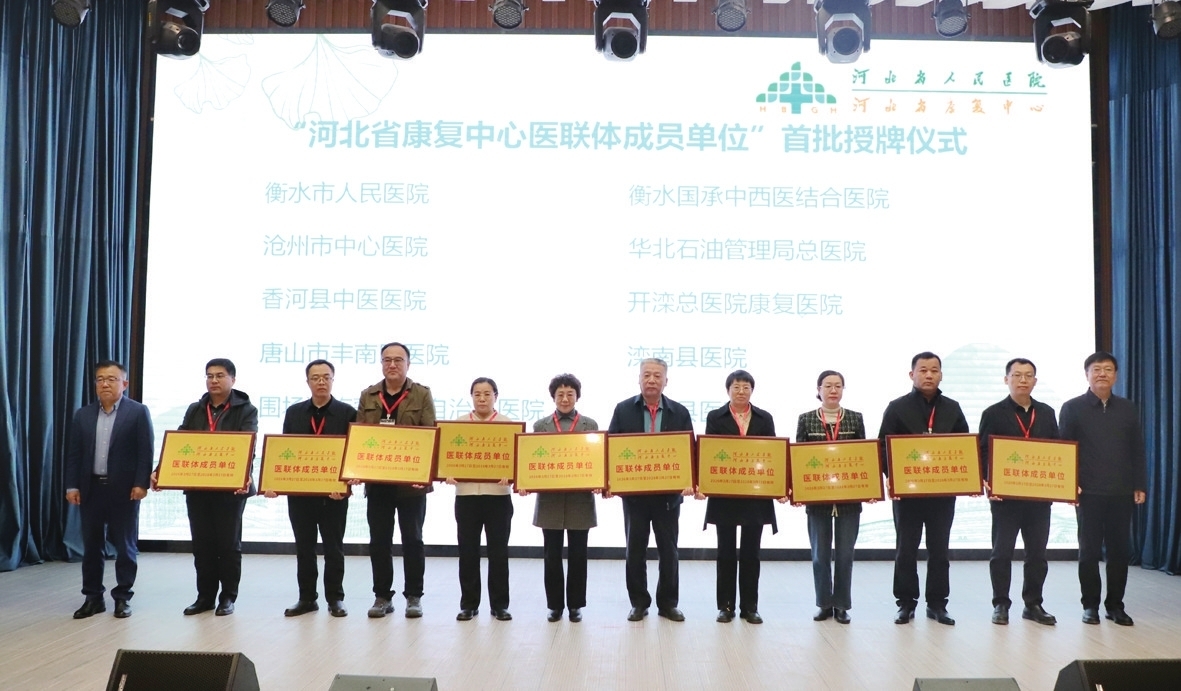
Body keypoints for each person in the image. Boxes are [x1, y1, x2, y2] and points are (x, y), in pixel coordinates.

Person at [152, 358, 258, 616]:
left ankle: (228, 597)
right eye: (209, 376)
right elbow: (179, 442)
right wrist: (160, 470)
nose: (213, 380)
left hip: (230, 489)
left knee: (228, 545)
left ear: (233, 379)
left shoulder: (246, 410)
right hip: (198, 487)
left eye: (220, 375)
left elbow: (249, 444)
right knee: (202, 544)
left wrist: (244, 474)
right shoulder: (195, 409)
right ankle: (205, 597)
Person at [878, 351, 969, 626]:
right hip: (908, 494)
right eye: (923, 370)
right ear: (912, 374)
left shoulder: (952, 408)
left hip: (942, 494)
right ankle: (905, 603)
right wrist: (892, 476)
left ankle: (937, 604)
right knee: (906, 549)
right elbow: (882, 447)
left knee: (940, 550)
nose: (929, 375)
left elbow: (965, 448)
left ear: (941, 375)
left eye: (934, 370)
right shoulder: (897, 407)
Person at [1059, 351, 1147, 626]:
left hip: (1121, 491)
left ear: (1116, 376)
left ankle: (1115, 605)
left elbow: (1137, 449)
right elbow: (1064, 450)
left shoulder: (1128, 408)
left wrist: (1139, 484)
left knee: (1119, 552)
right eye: (1096, 369)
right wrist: (1069, 485)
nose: (1102, 374)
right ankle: (1090, 606)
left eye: (1108, 369)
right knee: (1088, 553)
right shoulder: (1072, 408)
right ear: (1087, 374)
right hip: (1088, 493)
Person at [265, 359, 356, 618]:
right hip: (300, 496)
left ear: (333, 380)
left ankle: (335, 599)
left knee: (333, 549)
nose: (321, 382)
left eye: (326, 377)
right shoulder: (294, 412)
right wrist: (274, 483)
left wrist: (346, 484)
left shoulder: (347, 413)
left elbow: (353, 455)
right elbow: (284, 452)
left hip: (333, 495)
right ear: (307, 382)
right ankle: (306, 598)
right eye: (315, 378)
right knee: (304, 548)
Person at [607, 358, 695, 623]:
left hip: (668, 497)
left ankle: (668, 604)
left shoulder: (679, 412)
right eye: (647, 375)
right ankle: (639, 602)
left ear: (666, 381)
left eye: (657, 376)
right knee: (635, 550)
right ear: (639, 379)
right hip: (635, 496)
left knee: (669, 551)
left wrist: (690, 480)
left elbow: (689, 452)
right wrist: (609, 481)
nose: (652, 380)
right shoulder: (623, 409)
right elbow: (611, 448)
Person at [65, 360, 155, 620]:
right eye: (100, 379)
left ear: (124, 383)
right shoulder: (83, 415)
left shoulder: (137, 412)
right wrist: (72, 485)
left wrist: (141, 483)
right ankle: (93, 598)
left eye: (112, 379)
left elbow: (145, 451)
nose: (105, 384)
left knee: (125, 547)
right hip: (91, 489)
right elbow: (74, 454)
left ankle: (123, 597)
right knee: (92, 547)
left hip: (124, 491)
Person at [355, 342, 436, 619]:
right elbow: (360, 436)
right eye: (387, 360)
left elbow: (429, 434)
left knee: (413, 540)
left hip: (411, 485)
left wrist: (425, 474)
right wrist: (356, 468)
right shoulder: (368, 395)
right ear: (381, 364)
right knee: (379, 541)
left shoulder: (421, 394)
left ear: (408, 364)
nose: (392, 364)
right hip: (378, 483)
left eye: (398, 360)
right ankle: (382, 597)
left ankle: (414, 597)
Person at [977, 358, 1060, 626]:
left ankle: (1033, 604)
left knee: (1037, 554)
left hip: (1039, 498)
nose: (1023, 380)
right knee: (1002, 553)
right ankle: (1000, 604)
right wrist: (988, 481)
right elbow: (983, 451)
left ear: (1035, 380)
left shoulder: (1046, 412)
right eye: (1017, 375)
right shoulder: (993, 413)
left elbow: (1058, 451)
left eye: (1028, 375)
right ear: (1006, 379)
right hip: (1006, 499)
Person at [701, 370, 776, 625]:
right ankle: (725, 606)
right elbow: (710, 453)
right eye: (736, 387)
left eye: (746, 387)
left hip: (755, 496)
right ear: (728, 390)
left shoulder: (765, 418)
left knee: (751, 554)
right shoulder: (715, 417)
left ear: (752, 390)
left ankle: (750, 607)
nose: (741, 391)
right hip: (725, 495)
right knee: (725, 553)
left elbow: (773, 455)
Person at [794, 369, 867, 625]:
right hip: (818, 500)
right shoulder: (806, 419)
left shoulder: (855, 419)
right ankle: (824, 604)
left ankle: (842, 605)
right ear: (819, 390)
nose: (833, 390)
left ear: (843, 390)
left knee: (845, 556)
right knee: (819, 556)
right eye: (828, 386)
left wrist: (868, 489)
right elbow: (799, 459)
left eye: (838, 386)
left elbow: (864, 458)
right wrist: (797, 489)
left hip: (849, 501)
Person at [528, 374, 599, 623]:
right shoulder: (541, 426)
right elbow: (531, 461)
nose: (565, 399)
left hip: (580, 501)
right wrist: (526, 482)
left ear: (577, 396)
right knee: (551, 556)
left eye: (570, 394)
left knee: (579, 555)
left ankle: (576, 605)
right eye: (560, 394)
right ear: (553, 397)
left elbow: (596, 461)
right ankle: (555, 605)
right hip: (551, 501)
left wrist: (600, 480)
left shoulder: (589, 425)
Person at [447, 377, 514, 622]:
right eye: (477, 394)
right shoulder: (458, 425)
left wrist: (512, 474)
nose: (482, 398)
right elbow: (447, 458)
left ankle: (499, 605)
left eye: (487, 394)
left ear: (496, 396)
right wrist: (447, 472)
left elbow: (516, 461)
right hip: (466, 496)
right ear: (472, 397)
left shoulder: (508, 425)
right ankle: (468, 604)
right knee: (467, 552)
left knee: (499, 553)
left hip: (498, 497)